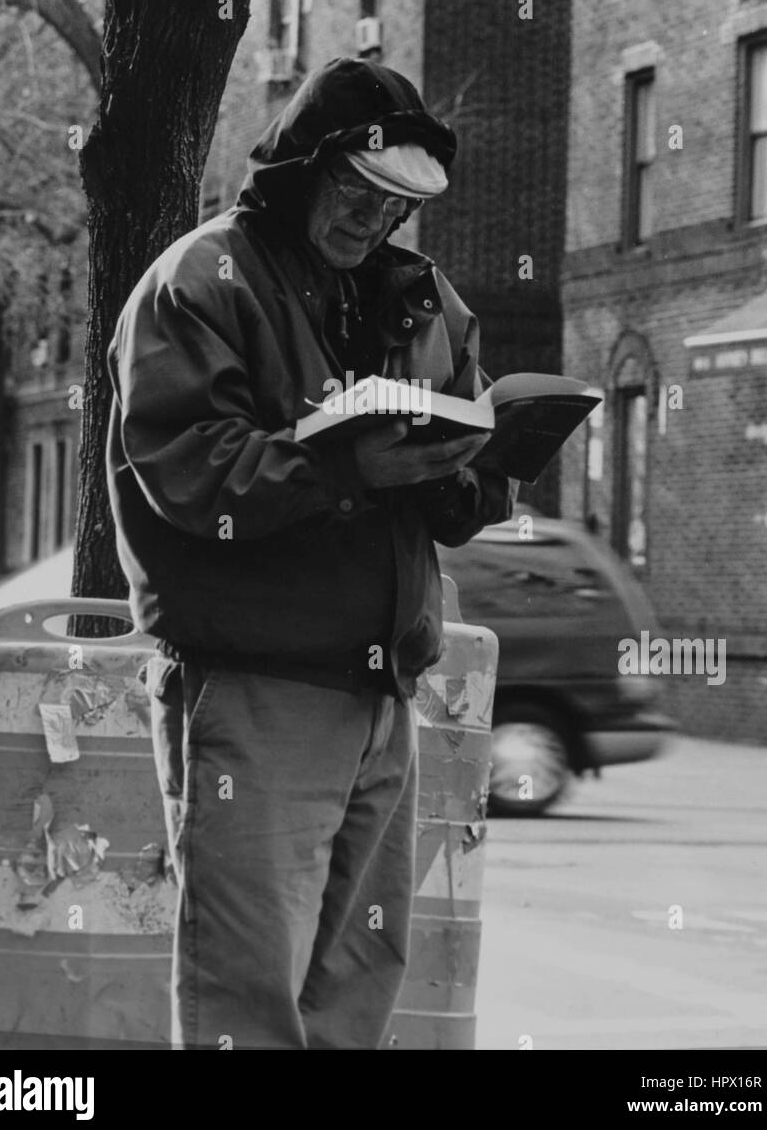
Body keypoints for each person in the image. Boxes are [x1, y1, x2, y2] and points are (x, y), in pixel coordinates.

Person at [106, 57, 517, 1050]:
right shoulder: (200, 283)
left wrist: (470, 468)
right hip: (257, 691)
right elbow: (193, 473)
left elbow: (462, 494)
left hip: (384, 696)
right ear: (304, 166)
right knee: (246, 1006)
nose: (371, 222)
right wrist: (343, 467)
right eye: (357, 193)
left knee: (352, 996)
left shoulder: (427, 306)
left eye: (392, 210)